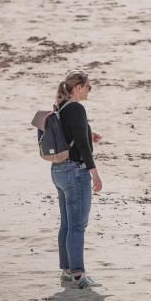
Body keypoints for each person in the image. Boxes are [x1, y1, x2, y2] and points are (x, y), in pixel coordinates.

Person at [49, 70, 103, 289]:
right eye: (88, 87)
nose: (90, 91)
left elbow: (69, 135)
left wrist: (89, 134)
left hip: (58, 171)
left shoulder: (61, 107)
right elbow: (81, 146)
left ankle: (67, 270)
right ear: (78, 88)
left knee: (67, 224)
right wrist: (95, 173)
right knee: (78, 226)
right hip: (75, 172)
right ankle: (79, 275)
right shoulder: (77, 108)